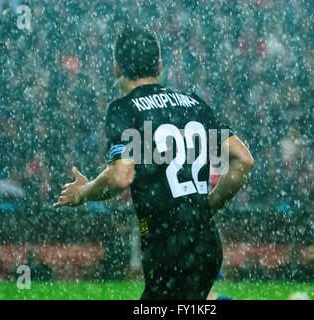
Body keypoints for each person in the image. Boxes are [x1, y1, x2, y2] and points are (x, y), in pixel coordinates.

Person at [54, 26, 254, 300]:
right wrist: (208, 205)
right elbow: (243, 160)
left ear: (116, 69)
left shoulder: (125, 109)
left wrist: (84, 193)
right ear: (159, 66)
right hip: (207, 242)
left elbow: (120, 177)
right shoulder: (193, 104)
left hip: (166, 243)